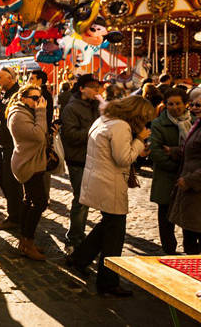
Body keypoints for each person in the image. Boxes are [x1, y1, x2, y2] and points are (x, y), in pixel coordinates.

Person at [67, 96, 154, 297]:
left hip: (99, 180)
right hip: (110, 184)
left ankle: (80, 258)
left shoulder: (104, 119)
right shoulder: (120, 126)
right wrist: (140, 140)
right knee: (114, 237)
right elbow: (123, 158)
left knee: (108, 224)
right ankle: (108, 281)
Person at [168, 85, 201, 255]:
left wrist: (190, 180)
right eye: (192, 104)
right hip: (197, 198)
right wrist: (174, 151)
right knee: (191, 241)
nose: (194, 108)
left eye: (198, 105)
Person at [7, 84, 49, 260]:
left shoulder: (27, 112)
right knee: (40, 203)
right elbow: (38, 135)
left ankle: (25, 240)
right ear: (23, 98)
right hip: (27, 164)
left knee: (29, 200)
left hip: (33, 161)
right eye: (34, 98)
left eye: (39, 98)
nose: (38, 101)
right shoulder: (18, 115)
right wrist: (41, 113)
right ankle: (27, 241)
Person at [61, 74, 102, 250]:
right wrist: (95, 130)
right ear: (82, 88)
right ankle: (74, 238)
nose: (97, 91)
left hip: (95, 158)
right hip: (78, 160)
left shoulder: (97, 106)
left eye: (98, 88)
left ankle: (81, 235)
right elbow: (70, 135)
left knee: (89, 198)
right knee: (81, 199)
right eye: (93, 87)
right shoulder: (71, 108)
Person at [149, 87, 190, 255]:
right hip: (166, 176)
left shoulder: (194, 120)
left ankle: (190, 249)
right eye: (170, 104)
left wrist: (175, 152)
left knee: (189, 216)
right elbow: (156, 151)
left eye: (178, 103)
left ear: (185, 104)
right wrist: (177, 166)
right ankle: (169, 249)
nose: (175, 107)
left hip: (189, 176)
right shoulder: (159, 123)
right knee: (165, 217)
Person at [0, 67, 23, 229]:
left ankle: (15, 216)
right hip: (1, 142)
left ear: (11, 79)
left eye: (0, 77)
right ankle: (16, 208)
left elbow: (4, 117)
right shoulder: (4, 94)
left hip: (11, 144)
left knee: (11, 181)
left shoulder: (16, 95)